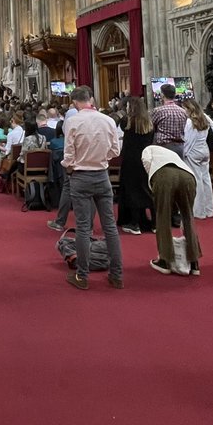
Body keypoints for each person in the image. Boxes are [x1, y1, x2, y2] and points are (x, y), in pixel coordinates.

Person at [62, 86, 123, 291]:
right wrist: (100, 159)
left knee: (83, 227)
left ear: (74, 103)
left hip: (80, 176)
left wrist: (71, 167)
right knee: (110, 227)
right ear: (91, 99)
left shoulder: (73, 121)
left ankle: (82, 275)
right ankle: (116, 275)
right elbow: (115, 150)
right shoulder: (108, 120)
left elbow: (69, 153)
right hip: (102, 175)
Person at [141, 145, 202, 276]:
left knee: (163, 216)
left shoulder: (147, 150)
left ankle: (164, 260)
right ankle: (194, 262)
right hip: (188, 176)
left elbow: (148, 167)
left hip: (164, 176)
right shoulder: (169, 152)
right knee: (188, 216)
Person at [117, 96, 155, 235]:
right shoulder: (149, 122)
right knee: (147, 190)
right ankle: (155, 223)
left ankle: (134, 223)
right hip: (146, 159)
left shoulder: (127, 121)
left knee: (132, 191)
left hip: (130, 160)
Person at [181, 98, 213, 219]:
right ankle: (209, 209)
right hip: (204, 150)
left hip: (193, 152)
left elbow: (188, 140)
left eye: (184, 108)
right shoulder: (205, 118)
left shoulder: (189, 122)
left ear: (189, 109)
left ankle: (199, 211)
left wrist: (184, 154)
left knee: (197, 180)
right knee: (206, 179)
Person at [151, 83, 186, 155]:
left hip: (164, 148)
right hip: (180, 147)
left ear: (162, 95)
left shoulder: (158, 111)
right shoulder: (183, 111)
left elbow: (150, 128)